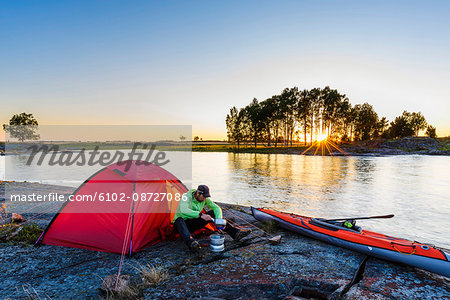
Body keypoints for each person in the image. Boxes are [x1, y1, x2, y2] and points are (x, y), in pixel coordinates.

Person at [173, 185, 250, 253]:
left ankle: (235, 233)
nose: (205, 199)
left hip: (193, 223)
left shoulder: (204, 199)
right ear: (197, 193)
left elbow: (216, 208)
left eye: (206, 197)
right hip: (181, 226)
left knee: (212, 213)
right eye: (203, 196)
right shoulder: (186, 197)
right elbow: (184, 210)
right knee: (179, 220)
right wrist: (200, 215)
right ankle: (191, 243)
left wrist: (219, 221)